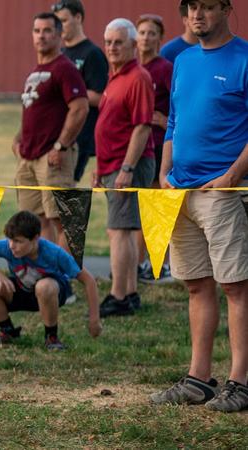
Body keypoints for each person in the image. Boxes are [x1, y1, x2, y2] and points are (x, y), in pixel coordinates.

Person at [152, 0, 248, 413]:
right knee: (196, 285)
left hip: (223, 193)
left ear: (226, 9)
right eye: (191, 7)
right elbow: (173, 119)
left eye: (207, 7)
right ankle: (199, 379)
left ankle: (240, 382)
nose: (197, 15)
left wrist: (231, 177)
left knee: (236, 287)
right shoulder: (184, 59)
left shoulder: (244, 58)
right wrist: (164, 170)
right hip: (181, 192)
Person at [0, 211, 102, 350]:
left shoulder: (54, 253)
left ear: (35, 238)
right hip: (23, 289)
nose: (12, 245)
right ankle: (7, 331)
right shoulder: (8, 246)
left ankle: (51, 337)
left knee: (45, 286)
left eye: (18, 241)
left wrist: (94, 319)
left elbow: (89, 280)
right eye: (10, 239)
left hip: (51, 292)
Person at [94, 18, 155, 318]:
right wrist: (99, 168)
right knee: (125, 230)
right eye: (108, 42)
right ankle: (129, 291)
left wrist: (128, 167)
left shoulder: (138, 77)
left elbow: (142, 126)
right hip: (112, 165)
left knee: (118, 230)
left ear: (133, 45)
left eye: (118, 42)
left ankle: (118, 295)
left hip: (127, 165)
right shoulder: (114, 76)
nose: (112, 47)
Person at [13, 12, 88, 250]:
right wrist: (18, 140)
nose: (41, 36)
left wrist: (61, 146)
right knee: (33, 221)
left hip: (53, 157)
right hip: (28, 158)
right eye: (37, 31)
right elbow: (33, 111)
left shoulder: (64, 68)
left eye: (47, 31)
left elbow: (80, 108)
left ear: (58, 35)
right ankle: (42, 273)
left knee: (61, 220)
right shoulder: (35, 70)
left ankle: (61, 278)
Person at [52, 0, 109, 183]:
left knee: (65, 188)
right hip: (56, 131)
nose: (60, 27)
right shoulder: (59, 52)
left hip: (79, 134)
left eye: (64, 21)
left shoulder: (92, 53)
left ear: (78, 17)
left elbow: (101, 96)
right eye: (57, 23)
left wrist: (67, 95)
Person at [135, 14, 174, 283]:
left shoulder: (165, 68)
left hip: (160, 145)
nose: (146, 38)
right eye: (142, 32)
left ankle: (162, 263)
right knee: (140, 208)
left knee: (158, 207)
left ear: (160, 38)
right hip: (136, 146)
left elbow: (180, 105)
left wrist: (165, 119)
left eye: (151, 33)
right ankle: (137, 263)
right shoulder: (130, 67)